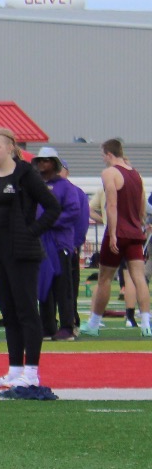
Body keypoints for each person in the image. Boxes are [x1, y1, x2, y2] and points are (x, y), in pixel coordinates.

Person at [0, 127, 60, 392]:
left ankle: (32, 371)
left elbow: (53, 207)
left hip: (22, 252)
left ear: (10, 147)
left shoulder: (25, 174)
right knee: (8, 312)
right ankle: (14, 370)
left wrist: (31, 232)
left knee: (26, 311)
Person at [86, 139, 149, 337]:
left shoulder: (110, 173)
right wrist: (139, 225)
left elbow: (111, 205)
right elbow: (142, 205)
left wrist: (112, 233)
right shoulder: (135, 173)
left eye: (102, 155)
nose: (102, 159)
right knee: (139, 277)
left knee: (105, 279)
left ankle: (94, 323)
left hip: (118, 231)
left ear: (108, 154)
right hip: (134, 231)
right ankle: (146, 323)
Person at [34, 149, 88, 341]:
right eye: (40, 161)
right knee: (44, 286)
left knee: (63, 287)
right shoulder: (37, 186)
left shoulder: (66, 187)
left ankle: (67, 326)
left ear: (55, 164)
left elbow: (74, 212)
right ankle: (47, 326)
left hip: (59, 243)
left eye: (47, 161)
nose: (42, 164)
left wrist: (49, 221)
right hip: (41, 243)